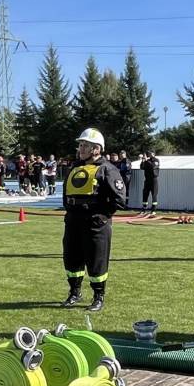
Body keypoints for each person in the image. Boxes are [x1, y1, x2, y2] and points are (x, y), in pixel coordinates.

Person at [62, 127, 127, 312]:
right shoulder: (75, 167)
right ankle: (74, 292)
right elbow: (66, 196)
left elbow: (119, 199)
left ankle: (98, 296)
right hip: (73, 222)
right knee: (72, 259)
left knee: (97, 260)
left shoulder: (107, 169)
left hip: (95, 224)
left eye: (85, 145)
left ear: (97, 149)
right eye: (81, 145)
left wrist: (102, 216)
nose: (81, 149)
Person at [140, 151, 161, 216]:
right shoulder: (147, 160)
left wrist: (146, 161)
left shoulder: (156, 160)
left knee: (154, 195)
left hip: (153, 180)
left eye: (150, 153)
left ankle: (153, 210)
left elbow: (153, 167)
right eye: (148, 153)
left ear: (154, 154)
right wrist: (143, 161)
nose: (149, 154)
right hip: (147, 180)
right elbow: (142, 167)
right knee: (145, 194)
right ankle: (144, 209)